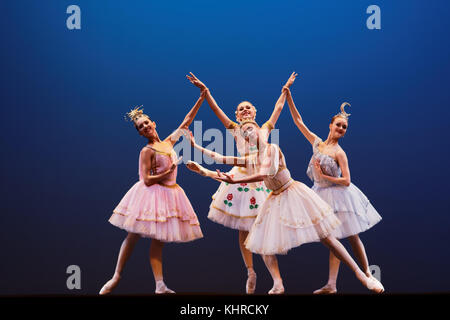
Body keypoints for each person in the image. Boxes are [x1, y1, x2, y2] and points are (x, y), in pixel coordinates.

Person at [185, 114, 384, 294]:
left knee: (327, 237)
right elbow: (221, 158)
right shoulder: (253, 157)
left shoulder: (272, 149)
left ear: (259, 131)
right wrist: (200, 162)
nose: (247, 131)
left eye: (250, 128)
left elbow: (265, 173)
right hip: (276, 198)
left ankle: (361, 274)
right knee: (262, 241)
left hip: (293, 193)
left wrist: (233, 180)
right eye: (244, 131)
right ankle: (278, 284)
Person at [184, 72, 296, 293]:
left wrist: (285, 89)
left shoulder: (263, 129)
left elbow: (279, 109)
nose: (245, 110)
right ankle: (250, 271)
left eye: (248, 108)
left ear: (255, 112)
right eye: (241, 109)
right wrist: (205, 92)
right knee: (243, 229)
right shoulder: (236, 130)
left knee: (261, 228)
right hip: (241, 178)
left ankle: (277, 280)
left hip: (262, 178)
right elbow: (216, 110)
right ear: (236, 115)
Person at [99, 90, 206, 295]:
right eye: (141, 127)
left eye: (147, 123)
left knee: (159, 240)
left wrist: (202, 96)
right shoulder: (147, 151)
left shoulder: (167, 143)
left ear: (153, 123)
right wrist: (168, 171)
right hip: (151, 194)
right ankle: (116, 276)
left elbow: (186, 121)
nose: (145, 127)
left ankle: (160, 285)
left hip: (170, 194)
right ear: (140, 133)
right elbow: (146, 180)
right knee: (133, 235)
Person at [285, 87, 382, 294]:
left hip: (338, 194)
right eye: (338, 124)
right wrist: (289, 96)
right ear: (330, 125)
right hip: (319, 194)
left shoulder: (340, 152)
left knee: (352, 236)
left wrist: (324, 176)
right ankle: (331, 284)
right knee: (331, 237)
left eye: (344, 127)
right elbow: (298, 122)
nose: (341, 128)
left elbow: (346, 181)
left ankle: (367, 273)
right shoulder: (318, 143)